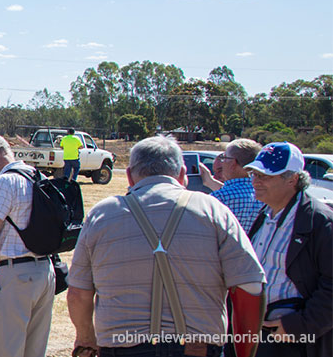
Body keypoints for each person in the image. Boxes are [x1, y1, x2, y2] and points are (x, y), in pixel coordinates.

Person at [67, 135, 265, 357]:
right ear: (182, 174)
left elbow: (78, 293)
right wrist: (244, 352)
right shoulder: (214, 210)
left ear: (130, 176)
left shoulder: (102, 214)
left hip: (121, 347)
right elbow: (250, 287)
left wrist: (85, 339)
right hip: (196, 348)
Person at [244, 142, 332, 357]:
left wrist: (298, 326)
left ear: (293, 179)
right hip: (261, 333)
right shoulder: (266, 214)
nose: (256, 181)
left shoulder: (319, 221)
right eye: (254, 174)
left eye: (265, 176)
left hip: (296, 341)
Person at [0, 134, 53, 357]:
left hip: (17, 274)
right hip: (46, 271)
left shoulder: (4, 181)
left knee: (8, 349)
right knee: (35, 350)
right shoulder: (39, 175)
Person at [199, 139, 264, 233]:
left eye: (224, 158)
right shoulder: (263, 195)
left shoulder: (218, 198)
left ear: (233, 163)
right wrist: (210, 181)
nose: (222, 162)